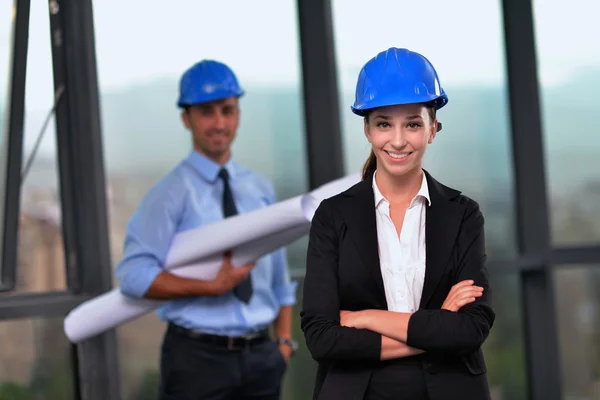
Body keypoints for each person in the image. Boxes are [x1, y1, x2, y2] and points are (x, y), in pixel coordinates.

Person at [300, 47, 495, 400]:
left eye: (414, 124)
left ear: (433, 129)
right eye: (384, 124)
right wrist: (435, 327)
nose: (399, 140)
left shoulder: (463, 214)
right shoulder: (332, 217)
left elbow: (470, 328)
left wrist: (365, 318)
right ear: (368, 130)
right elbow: (322, 338)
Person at [115, 59, 298, 400]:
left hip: (262, 358)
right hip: (197, 362)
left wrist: (283, 344)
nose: (219, 122)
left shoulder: (259, 188)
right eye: (206, 112)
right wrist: (208, 287)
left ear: (238, 115)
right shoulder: (169, 193)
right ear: (186, 119)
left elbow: (279, 278)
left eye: (227, 111)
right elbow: (132, 274)